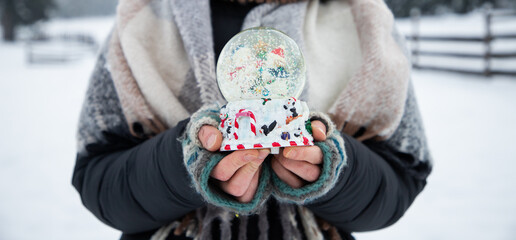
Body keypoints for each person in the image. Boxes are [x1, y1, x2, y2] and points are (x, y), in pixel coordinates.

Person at [72, 0, 432, 239]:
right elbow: (97, 178)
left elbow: (402, 178)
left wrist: (335, 171)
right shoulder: (138, 24)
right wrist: (182, 166)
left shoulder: (366, 23)